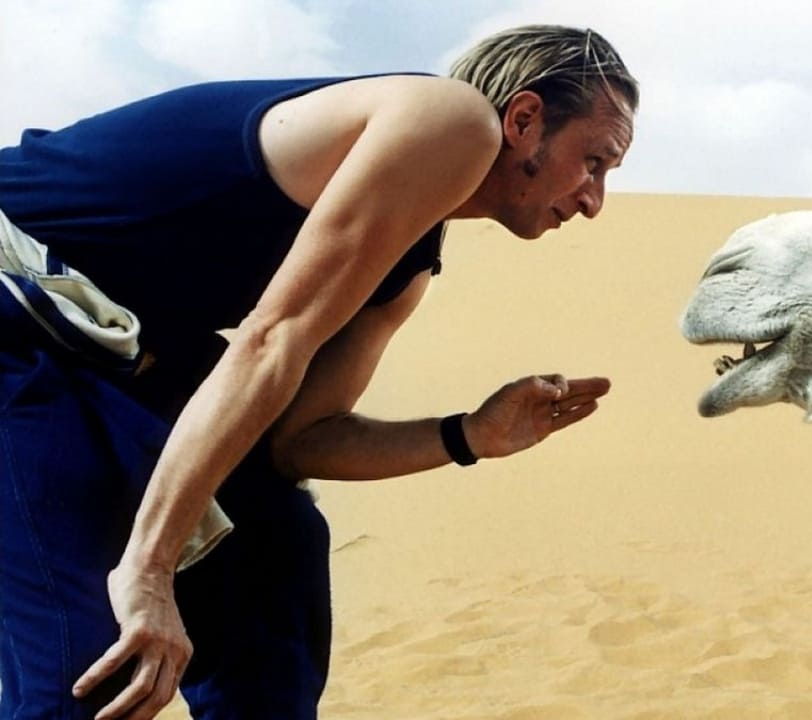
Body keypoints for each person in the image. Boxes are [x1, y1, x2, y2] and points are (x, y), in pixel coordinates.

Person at [0, 24, 637, 719]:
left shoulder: (407, 262)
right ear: (523, 119)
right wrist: (149, 568)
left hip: (127, 356)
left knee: (276, 550)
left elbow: (299, 439)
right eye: (594, 162)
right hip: (17, 300)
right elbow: (272, 343)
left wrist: (468, 435)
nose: (593, 200)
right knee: (86, 660)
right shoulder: (448, 121)